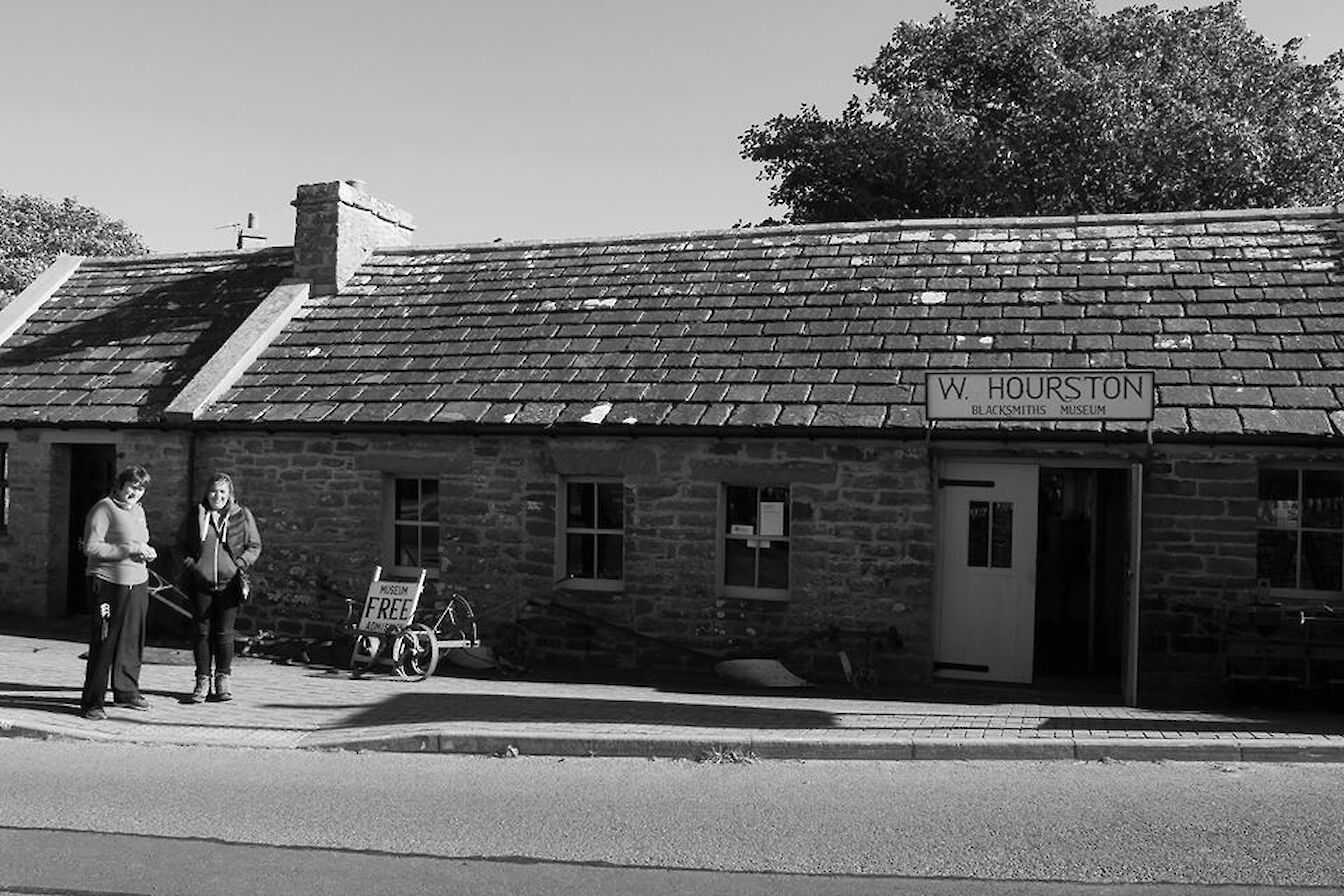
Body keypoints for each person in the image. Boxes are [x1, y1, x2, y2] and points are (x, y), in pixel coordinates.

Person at [175, 472, 261, 703]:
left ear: (229, 494)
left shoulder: (241, 516)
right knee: (201, 633)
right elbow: (180, 545)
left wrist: (239, 564)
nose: (218, 496)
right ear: (207, 492)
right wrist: (191, 566)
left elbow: (254, 545)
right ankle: (202, 680)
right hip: (200, 584)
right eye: (214, 491)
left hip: (229, 585)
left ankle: (223, 680)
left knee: (224, 634)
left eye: (223, 491)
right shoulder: (196, 515)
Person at [80, 464, 157, 721]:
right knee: (105, 641)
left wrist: (146, 550)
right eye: (133, 486)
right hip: (108, 581)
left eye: (141, 488)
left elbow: (138, 541)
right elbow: (91, 547)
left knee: (131, 639)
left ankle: (126, 691)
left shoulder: (138, 511)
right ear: (120, 484)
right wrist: (127, 549)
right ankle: (93, 701)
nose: (136, 492)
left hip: (137, 580)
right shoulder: (103, 509)